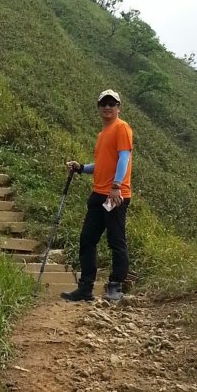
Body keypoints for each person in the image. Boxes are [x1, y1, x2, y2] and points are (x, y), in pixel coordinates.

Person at [61, 89, 133, 304]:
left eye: (112, 103)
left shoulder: (122, 128)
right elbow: (102, 165)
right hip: (98, 194)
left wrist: (116, 186)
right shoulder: (103, 134)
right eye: (104, 103)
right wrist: (82, 168)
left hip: (115, 195)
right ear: (99, 108)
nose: (108, 107)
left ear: (119, 107)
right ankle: (86, 287)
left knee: (116, 241)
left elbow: (124, 159)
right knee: (87, 240)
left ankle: (115, 286)